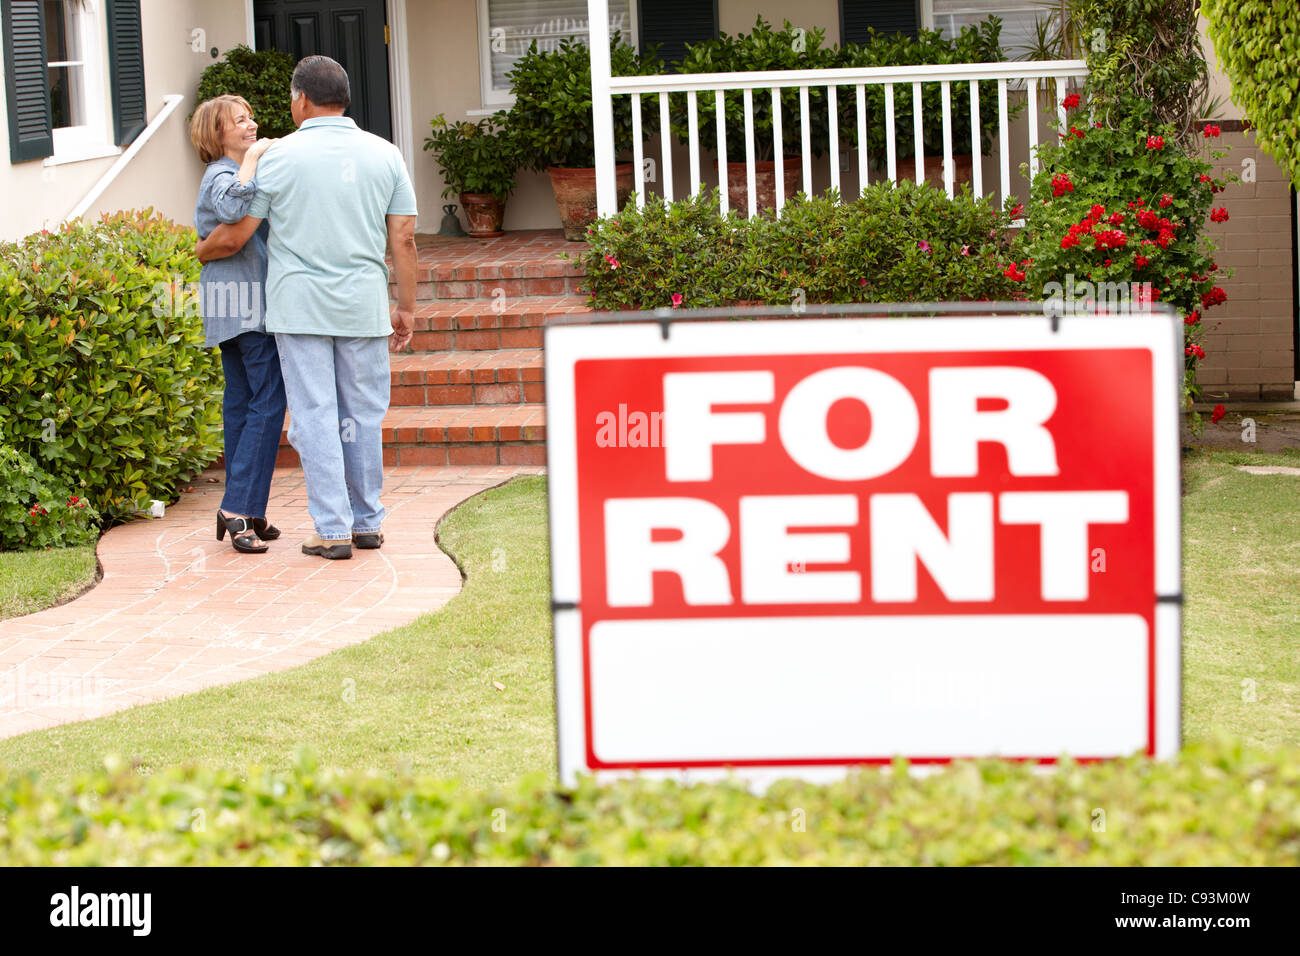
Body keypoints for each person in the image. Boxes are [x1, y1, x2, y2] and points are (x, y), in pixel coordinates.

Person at [197, 56, 418, 560]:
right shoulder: (385, 153)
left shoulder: (277, 157)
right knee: (361, 414)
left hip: (299, 310)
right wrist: (405, 307)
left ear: (300, 99)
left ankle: (333, 529)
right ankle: (366, 522)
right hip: (363, 306)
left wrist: (202, 249)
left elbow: (239, 233)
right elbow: (403, 238)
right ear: (344, 98)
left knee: (316, 415)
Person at [189, 94, 286, 555]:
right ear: (217, 134)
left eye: (250, 118)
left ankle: (248, 508)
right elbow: (230, 211)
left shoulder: (232, 172)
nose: (250, 126)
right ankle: (237, 507)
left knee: (243, 400)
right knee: (269, 399)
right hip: (244, 301)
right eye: (239, 121)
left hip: (232, 298)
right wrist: (251, 159)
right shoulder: (223, 175)